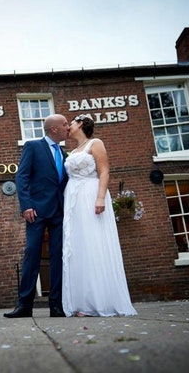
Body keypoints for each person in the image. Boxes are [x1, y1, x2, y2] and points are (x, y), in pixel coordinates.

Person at [62, 114, 137, 317]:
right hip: (73, 200)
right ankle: (82, 302)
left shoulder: (95, 143)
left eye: (71, 123)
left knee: (95, 242)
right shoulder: (72, 151)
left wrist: (100, 198)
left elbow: (104, 171)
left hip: (90, 194)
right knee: (78, 246)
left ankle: (101, 300)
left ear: (81, 125)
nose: (68, 126)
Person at [4, 114, 69, 318]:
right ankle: (24, 305)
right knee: (32, 255)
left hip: (60, 211)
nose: (68, 127)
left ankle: (56, 306)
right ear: (54, 129)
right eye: (65, 124)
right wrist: (26, 205)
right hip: (36, 211)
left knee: (58, 257)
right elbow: (21, 176)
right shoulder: (33, 146)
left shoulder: (64, 153)